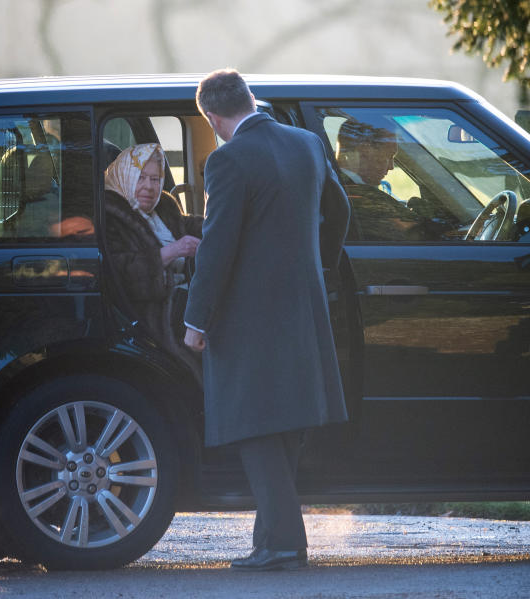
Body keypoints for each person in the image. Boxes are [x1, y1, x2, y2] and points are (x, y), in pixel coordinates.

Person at [183, 69, 350, 571]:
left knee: (254, 425)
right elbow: (338, 212)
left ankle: (281, 545)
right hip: (305, 306)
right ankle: (274, 539)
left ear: (212, 117)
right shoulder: (305, 143)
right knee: (285, 426)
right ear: (250, 99)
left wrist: (197, 318)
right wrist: (316, 269)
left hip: (249, 316)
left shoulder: (227, 160)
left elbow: (218, 248)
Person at [104, 143, 203, 360]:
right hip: (155, 313)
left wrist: (220, 224)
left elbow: (187, 225)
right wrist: (172, 251)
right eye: (140, 177)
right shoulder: (109, 216)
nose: (149, 187)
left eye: (155, 179)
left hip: (187, 299)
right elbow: (120, 272)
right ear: (125, 176)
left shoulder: (163, 206)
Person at [334, 119, 427, 241]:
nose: (391, 167)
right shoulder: (361, 197)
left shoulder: (336, 185)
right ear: (365, 151)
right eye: (388, 156)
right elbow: (416, 236)